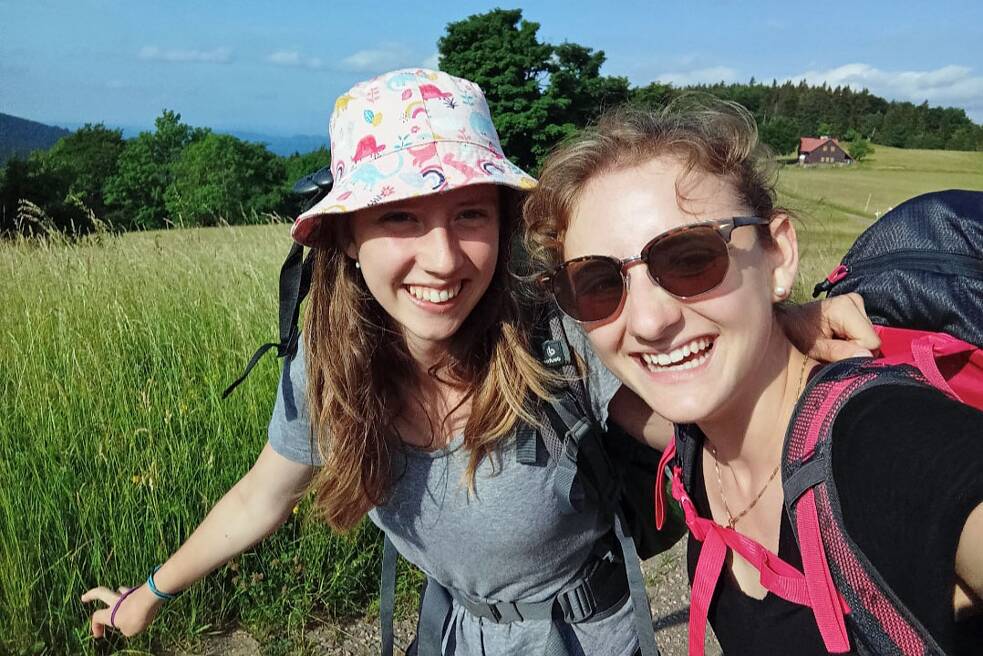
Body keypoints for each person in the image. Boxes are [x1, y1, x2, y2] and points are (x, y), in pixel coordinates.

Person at [81, 71, 877, 655]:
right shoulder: (328, 374)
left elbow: (700, 421)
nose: (442, 257)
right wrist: (148, 597)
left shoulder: (555, 340)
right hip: (451, 634)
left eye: (469, 215)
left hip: (589, 639)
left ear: (501, 229)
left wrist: (782, 330)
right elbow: (263, 494)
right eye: (399, 217)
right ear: (347, 241)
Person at [525, 99, 983, 654]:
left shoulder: (884, 441)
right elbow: (624, 407)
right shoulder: (697, 437)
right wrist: (770, 324)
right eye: (597, 282)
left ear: (779, 256)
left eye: (691, 258)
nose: (648, 322)